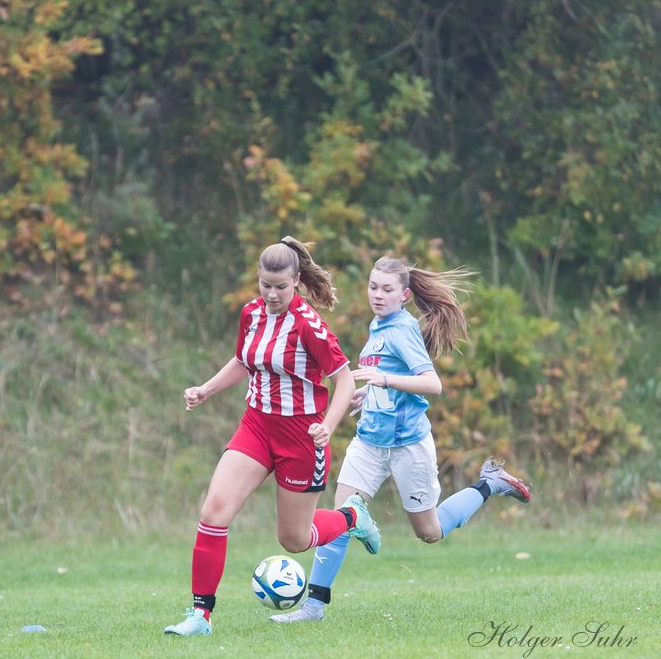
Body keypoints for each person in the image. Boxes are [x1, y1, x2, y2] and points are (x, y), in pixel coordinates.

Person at [270, 255, 532, 624]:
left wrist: (383, 381)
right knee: (341, 516)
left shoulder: (403, 329)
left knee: (429, 532)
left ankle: (490, 482)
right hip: (370, 442)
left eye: (387, 289)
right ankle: (314, 607)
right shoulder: (377, 325)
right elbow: (385, 377)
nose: (377, 294)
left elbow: (431, 383)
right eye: (373, 286)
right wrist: (369, 397)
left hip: (409, 446)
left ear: (404, 295)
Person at [164, 237, 381, 636]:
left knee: (295, 540)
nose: (272, 293)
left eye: (281, 286)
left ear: (296, 281)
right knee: (214, 513)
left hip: (302, 437)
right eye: (265, 284)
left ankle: (352, 516)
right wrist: (205, 389)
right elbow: (244, 361)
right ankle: (200, 617)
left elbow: (345, 382)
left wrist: (328, 426)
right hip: (257, 426)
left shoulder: (310, 326)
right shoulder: (251, 313)